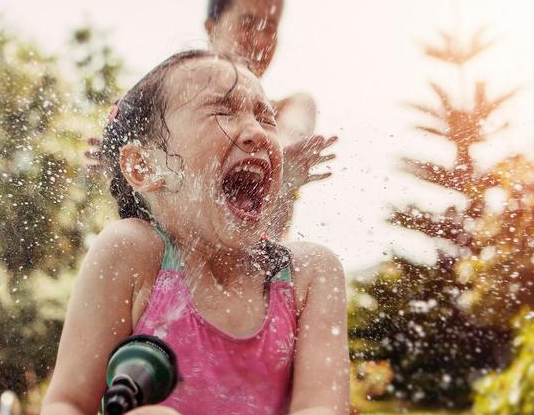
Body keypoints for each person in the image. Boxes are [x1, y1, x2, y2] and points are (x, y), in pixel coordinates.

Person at [43, 50, 349, 415]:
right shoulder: (133, 254)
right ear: (144, 165)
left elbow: (321, 409)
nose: (256, 132)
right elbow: (67, 404)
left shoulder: (308, 276)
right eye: (222, 110)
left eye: (265, 117)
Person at [87, 0, 336, 239]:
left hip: (265, 274)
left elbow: (289, 138)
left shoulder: (292, 106)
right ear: (211, 27)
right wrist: (122, 160)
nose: (261, 39)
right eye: (248, 22)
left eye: (271, 27)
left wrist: (283, 167)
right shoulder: (168, 105)